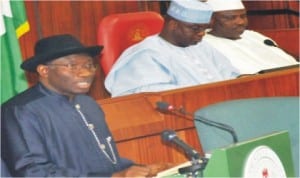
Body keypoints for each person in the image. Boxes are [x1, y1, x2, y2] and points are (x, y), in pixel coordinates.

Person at [1, 34, 170, 177]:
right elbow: (33, 173)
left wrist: (141, 170)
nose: (86, 73)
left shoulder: (87, 104)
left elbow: (106, 162)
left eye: (89, 65)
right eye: (72, 66)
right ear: (44, 71)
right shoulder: (21, 111)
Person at [104, 0, 240, 97]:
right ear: (173, 24)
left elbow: (231, 76)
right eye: (195, 28)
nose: (201, 33)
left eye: (204, 28)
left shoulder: (202, 46)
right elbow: (153, 97)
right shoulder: (146, 54)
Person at [203, 0, 298, 74]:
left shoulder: (252, 35)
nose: (240, 22)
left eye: (243, 16)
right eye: (231, 18)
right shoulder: (204, 43)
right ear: (211, 20)